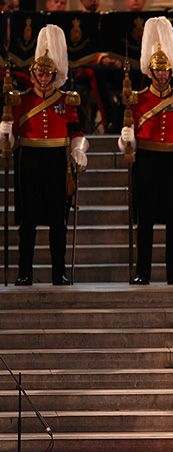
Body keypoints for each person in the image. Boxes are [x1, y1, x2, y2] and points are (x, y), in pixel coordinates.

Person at [118, 17, 173, 285]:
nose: (163, 75)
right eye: (159, 71)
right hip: (147, 160)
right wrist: (126, 140)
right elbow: (128, 131)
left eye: (167, 70)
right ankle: (142, 271)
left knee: (172, 218)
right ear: (150, 72)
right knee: (145, 219)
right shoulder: (138, 98)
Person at [0, 25, 88, 286]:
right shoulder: (20, 101)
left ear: (54, 73)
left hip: (57, 163)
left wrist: (78, 150)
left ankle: (58, 272)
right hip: (28, 161)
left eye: (48, 73)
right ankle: (24, 272)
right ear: (32, 73)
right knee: (28, 222)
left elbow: (76, 131)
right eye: (39, 72)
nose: (43, 77)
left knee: (57, 222)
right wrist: (5, 134)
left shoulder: (66, 100)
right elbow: (11, 139)